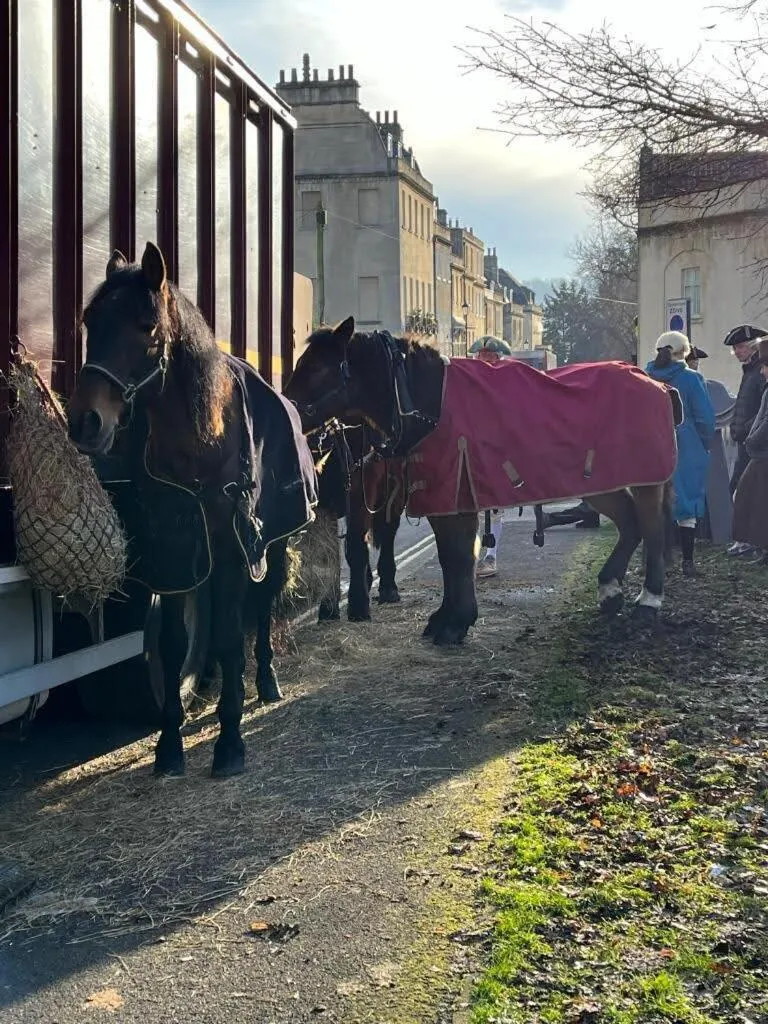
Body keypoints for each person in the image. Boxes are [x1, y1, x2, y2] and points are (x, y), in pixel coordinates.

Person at [646, 331, 716, 577]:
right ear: (684, 353)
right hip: (685, 447)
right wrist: (705, 444)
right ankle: (688, 562)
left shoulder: (645, 377)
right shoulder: (691, 378)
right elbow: (705, 418)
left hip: (652, 447)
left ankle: (655, 563)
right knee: (686, 503)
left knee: (653, 504)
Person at [732, 338, 768, 564]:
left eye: (765, 366)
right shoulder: (759, 381)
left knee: (749, 494)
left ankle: (755, 544)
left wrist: (752, 439)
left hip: (762, 451)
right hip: (758, 448)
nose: (763, 371)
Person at [724, 324, 767, 502]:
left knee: (742, 491)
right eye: (734, 349)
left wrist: (748, 429)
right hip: (746, 441)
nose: (737, 352)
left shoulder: (759, 371)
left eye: (740, 347)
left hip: (754, 442)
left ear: (753, 345)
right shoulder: (750, 371)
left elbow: (762, 409)